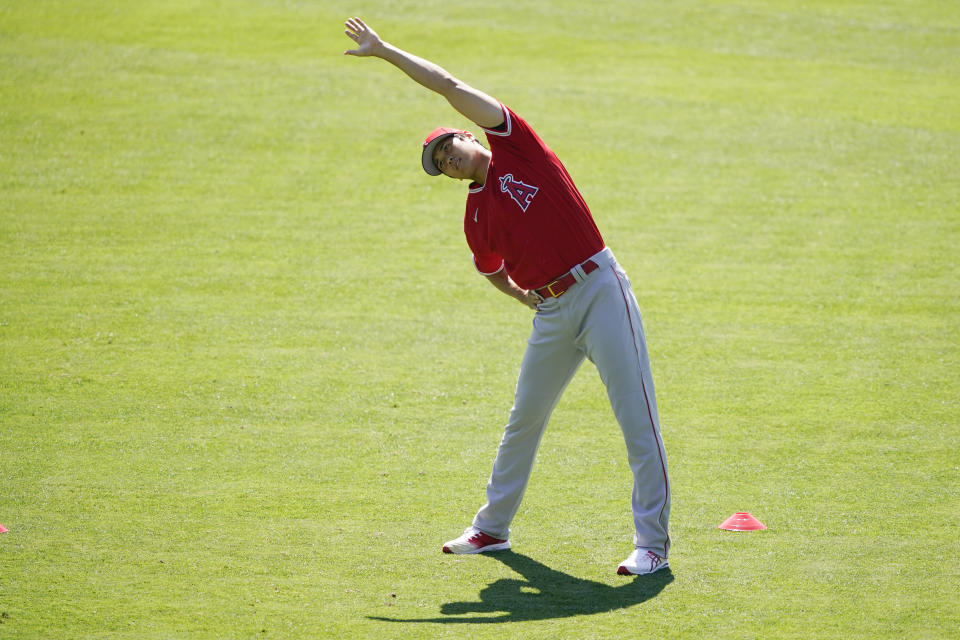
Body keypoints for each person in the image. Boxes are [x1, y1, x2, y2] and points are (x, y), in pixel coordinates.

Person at [344, 17, 671, 575]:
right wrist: (524, 298)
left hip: (598, 288)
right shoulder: (475, 215)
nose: (449, 159)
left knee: (635, 416)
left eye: (450, 147)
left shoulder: (516, 144)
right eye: (441, 164)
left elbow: (446, 84)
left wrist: (384, 52)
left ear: (469, 135)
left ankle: (652, 546)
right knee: (524, 418)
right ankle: (492, 529)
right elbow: (488, 268)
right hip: (552, 310)